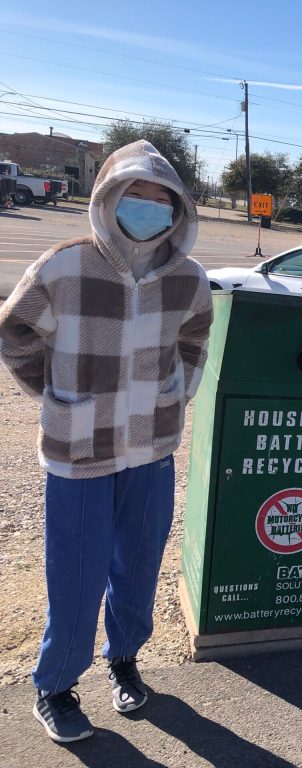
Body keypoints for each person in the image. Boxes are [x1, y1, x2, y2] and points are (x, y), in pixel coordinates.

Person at [0, 140, 213, 742]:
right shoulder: (65, 266)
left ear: (177, 210)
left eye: (160, 199)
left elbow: (196, 340)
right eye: (135, 195)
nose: (148, 206)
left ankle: (125, 661)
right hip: (80, 451)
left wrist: (179, 389)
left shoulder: (188, 278)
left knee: (138, 566)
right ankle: (57, 686)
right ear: (109, 199)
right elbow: (14, 333)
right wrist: (55, 394)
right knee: (77, 572)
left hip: (152, 447)